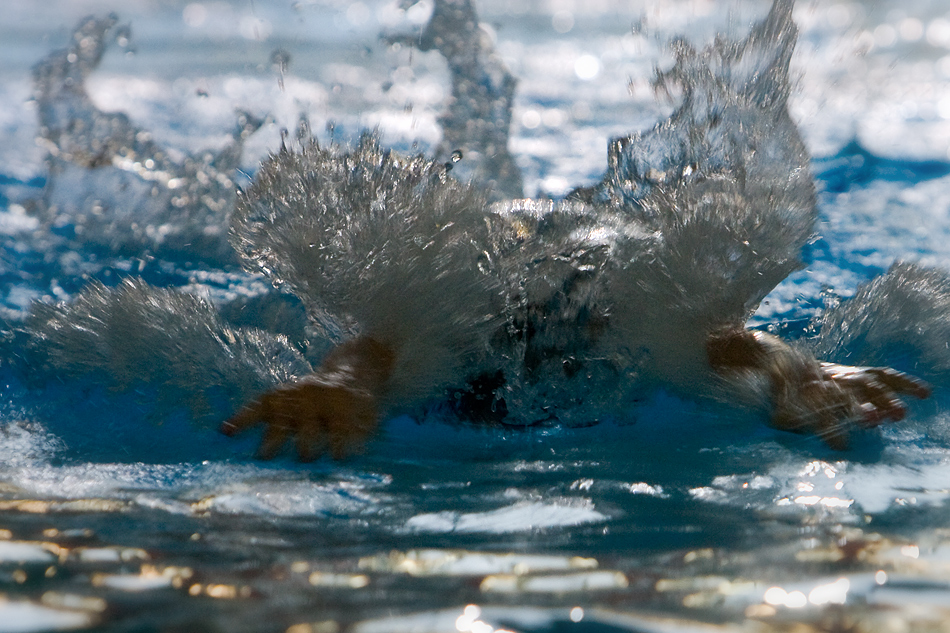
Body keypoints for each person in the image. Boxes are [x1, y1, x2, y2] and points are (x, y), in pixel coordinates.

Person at [220, 0, 930, 460]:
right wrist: (337, 382)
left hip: (588, 249)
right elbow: (374, 351)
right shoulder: (480, 316)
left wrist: (803, 373)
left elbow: (731, 345)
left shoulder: (621, 315)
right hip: (517, 257)